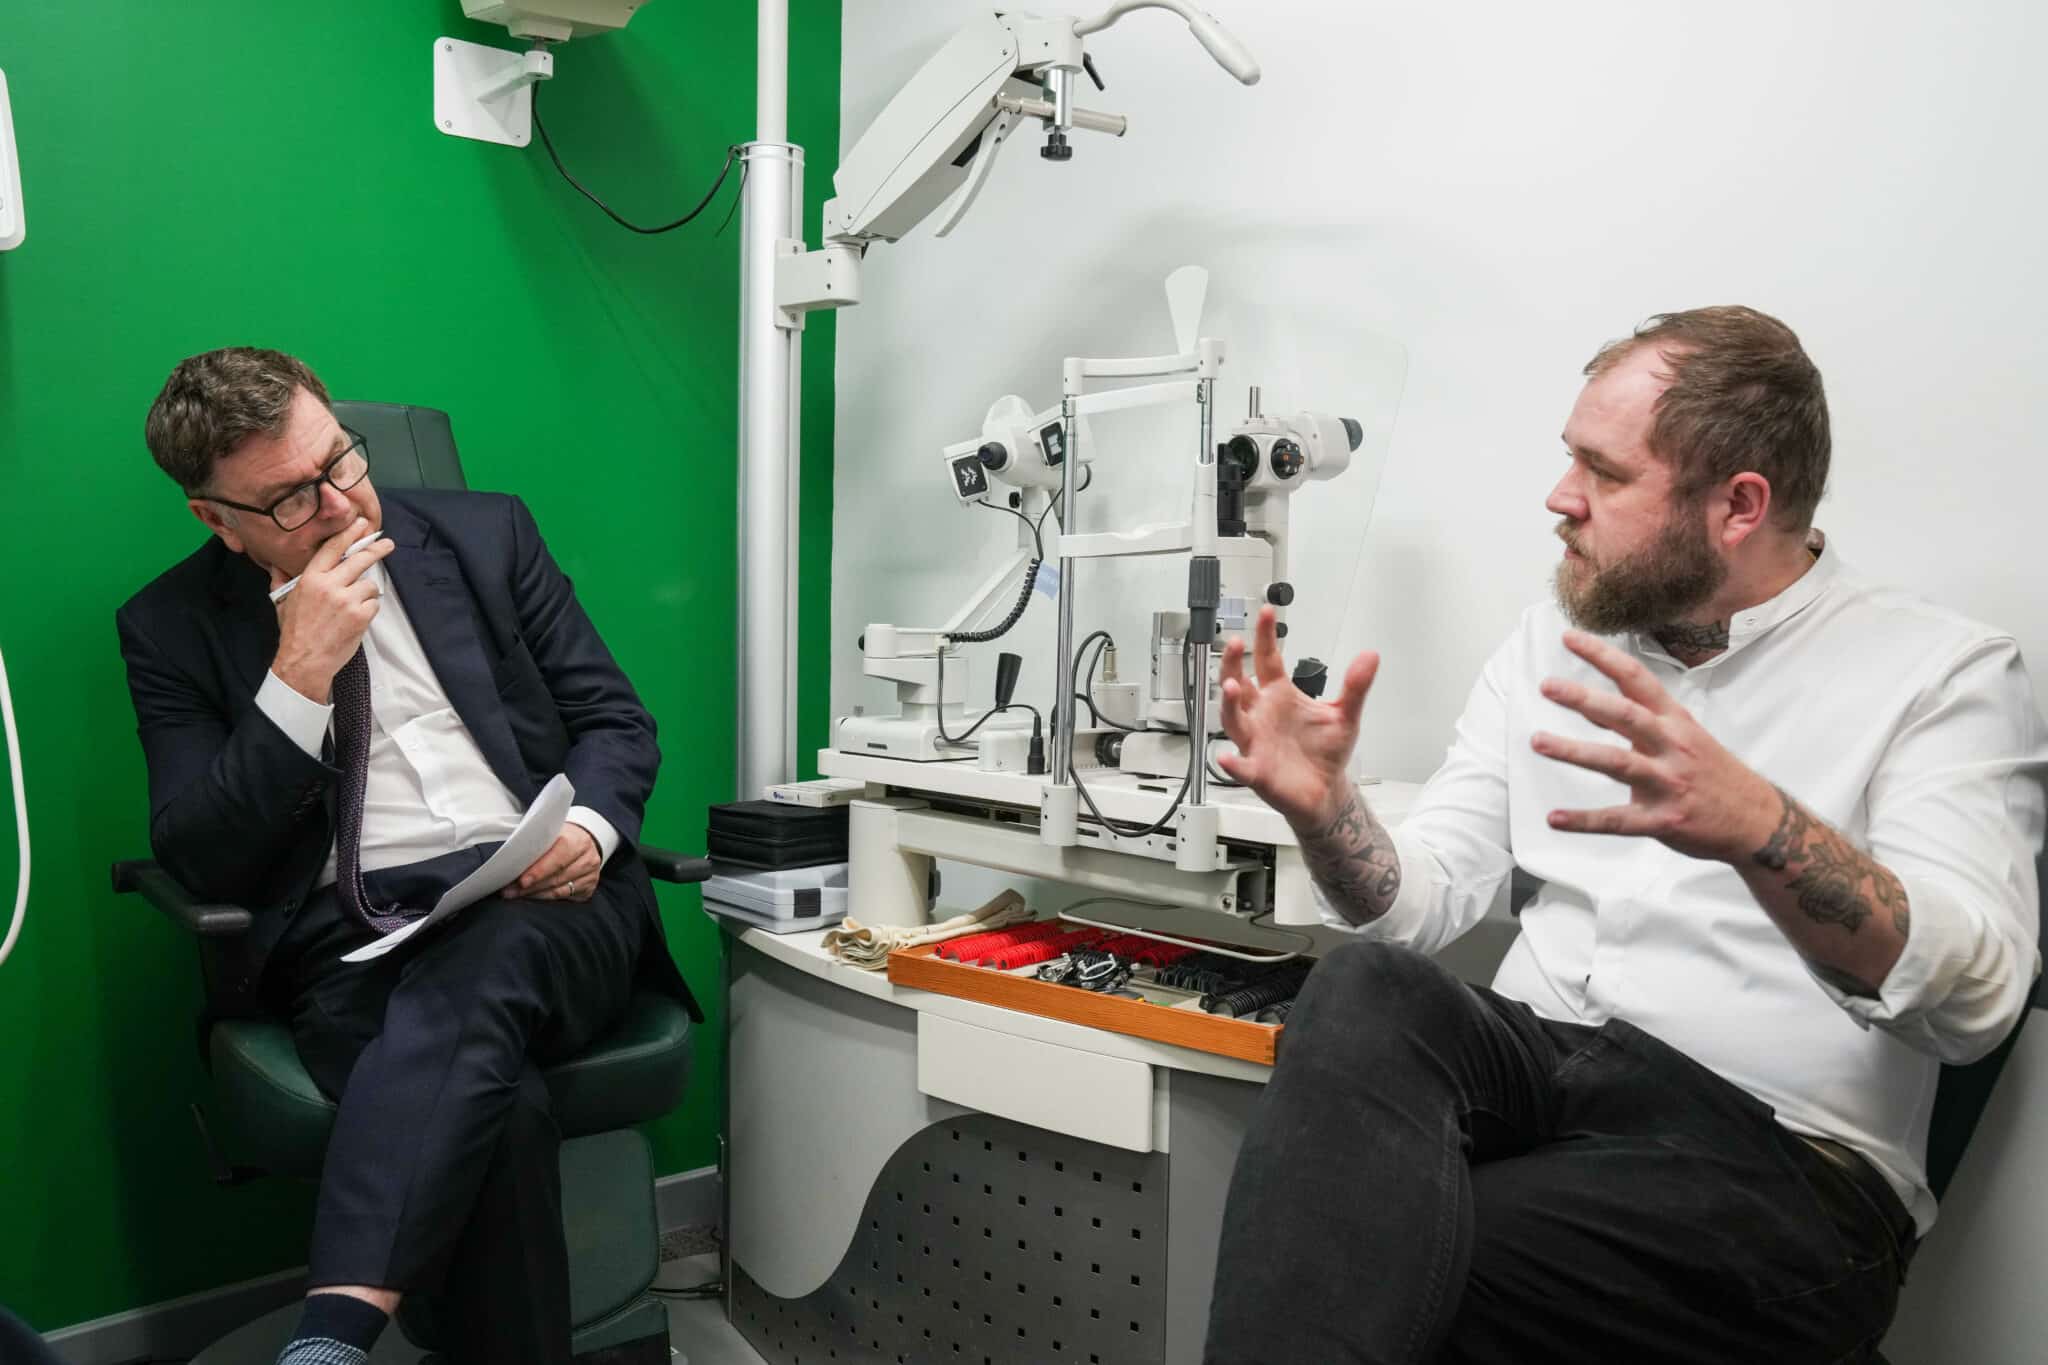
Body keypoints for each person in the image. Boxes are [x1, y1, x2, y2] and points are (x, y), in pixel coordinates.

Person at [1201, 307, 2047, 1364]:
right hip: (1544, 1081)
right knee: (1364, 991)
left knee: (1400, 1256)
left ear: (1737, 505)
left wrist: (1760, 827)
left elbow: (1973, 1006)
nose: (1559, 501)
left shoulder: (1939, 673)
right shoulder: (1550, 639)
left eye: (1600, 474)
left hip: (1775, 1158)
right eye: (1569, 460)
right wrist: (1325, 815)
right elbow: (1415, 909)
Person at [116, 348, 700, 1365]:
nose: (339, 505)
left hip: (550, 899)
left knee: (501, 942)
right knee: (498, 1110)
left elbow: (613, 720)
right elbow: (201, 856)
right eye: (290, 500)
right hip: (354, 943)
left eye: (339, 461)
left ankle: (335, 1327)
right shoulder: (168, 628)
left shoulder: (486, 536)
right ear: (217, 519)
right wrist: (297, 674)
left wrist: (586, 833)